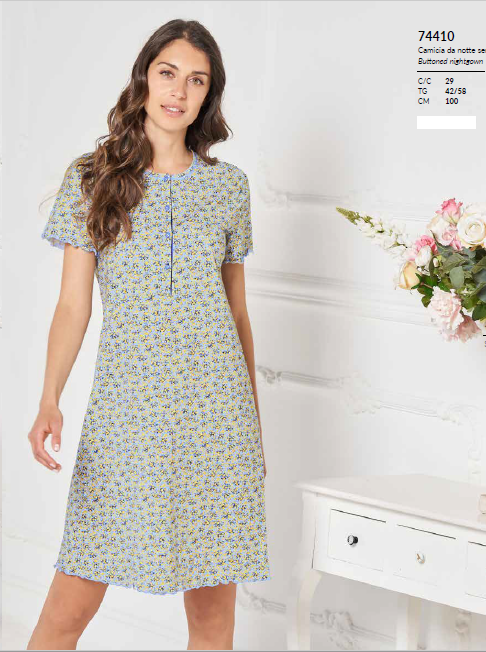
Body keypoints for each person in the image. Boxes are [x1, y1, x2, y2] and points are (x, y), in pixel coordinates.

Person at [27, 18, 270, 651]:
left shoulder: (228, 188)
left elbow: (237, 314)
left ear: (209, 95)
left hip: (217, 421)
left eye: (197, 80)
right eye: (168, 73)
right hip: (126, 416)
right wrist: (50, 398)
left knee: (213, 622)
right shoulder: (92, 179)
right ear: (143, 78)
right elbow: (72, 306)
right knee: (66, 613)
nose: (179, 91)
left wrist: (253, 424)